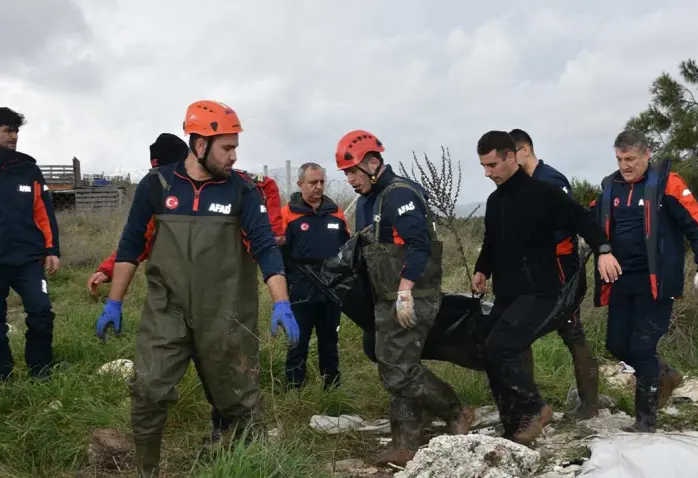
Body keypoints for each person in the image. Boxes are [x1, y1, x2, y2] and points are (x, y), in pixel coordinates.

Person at [94, 100, 300, 477]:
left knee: (241, 400)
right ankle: (147, 471)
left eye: (235, 147)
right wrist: (114, 303)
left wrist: (281, 302)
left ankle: (243, 467)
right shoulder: (157, 186)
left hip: (226, 313)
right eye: (227, 147)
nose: (234, 156)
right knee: (148, 390)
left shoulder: (243, 191)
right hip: (166, 310)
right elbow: (131, 245)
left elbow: (265, 246)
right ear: (200, 144)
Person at [471, 130, 620, 445]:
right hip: (508, 292)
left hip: (539, 291)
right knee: (487, 348)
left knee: (503, 347)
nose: (487, 173)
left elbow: (582, 220)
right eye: (483, 166)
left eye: (492, 165)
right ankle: (513, 423)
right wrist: (482, 269)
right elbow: (491, 240)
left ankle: (535, 409)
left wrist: (604, 250)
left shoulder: (543, 193)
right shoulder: (495, 201)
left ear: (512, 157)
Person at [337, 129, 474, 466]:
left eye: (353, 171)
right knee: (396, 363)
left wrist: (405, 290)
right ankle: (405, 444)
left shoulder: (400, 194)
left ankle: (455, 410)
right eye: (346, 173)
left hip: (412, 295)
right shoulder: (370, 199)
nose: (350, 179)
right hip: (387, 295)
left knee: (397, 370)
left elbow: (419, 244)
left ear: (373, 162)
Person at [588, 129, 698, 433]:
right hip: (620, 280)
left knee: (642, 347)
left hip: (657, 282)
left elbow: (697, 224)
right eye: (619, 159)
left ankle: (645, 420)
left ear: (647, 154)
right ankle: (665, 374)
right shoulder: (610, 187)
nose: (625, 165)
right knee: (616, 344)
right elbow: (590, 221)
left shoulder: (667, 184)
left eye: (630, 159)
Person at [87, 135, 285, 294]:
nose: (162, 177)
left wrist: (274, 231)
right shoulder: (159, 192)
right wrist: (108, 269)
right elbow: (138, 240)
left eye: (165, 170)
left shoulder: (229, 178)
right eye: (157, 171)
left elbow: (267, 184)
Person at [509, 128, 600, 419]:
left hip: (561, 272)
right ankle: (533, 406)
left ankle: (585, 405)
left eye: (511, 155)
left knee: (566, 332)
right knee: (531, 333)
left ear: (524, 150)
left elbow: (567, 223)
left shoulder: (552, 181)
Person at [0, 106, 61, 381]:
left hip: (28, 260)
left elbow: (44, 213)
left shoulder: (29, 170)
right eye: (8, 131)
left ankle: (40, 370)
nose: (14, 136)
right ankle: (3, 375)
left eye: (16, 131)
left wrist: (52, 250)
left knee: (41, 312)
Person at [280, 162, 350, 390]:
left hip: (331, 293)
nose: (318, 187)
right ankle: (294, 392)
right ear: (300, 184)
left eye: (321, 182)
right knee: (297, 344)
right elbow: (279, 255)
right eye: (313, 182)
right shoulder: (287, 214)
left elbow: (347, 251)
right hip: (299, 292)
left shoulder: (336, 213)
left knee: (330, 343)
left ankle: (332, 391)